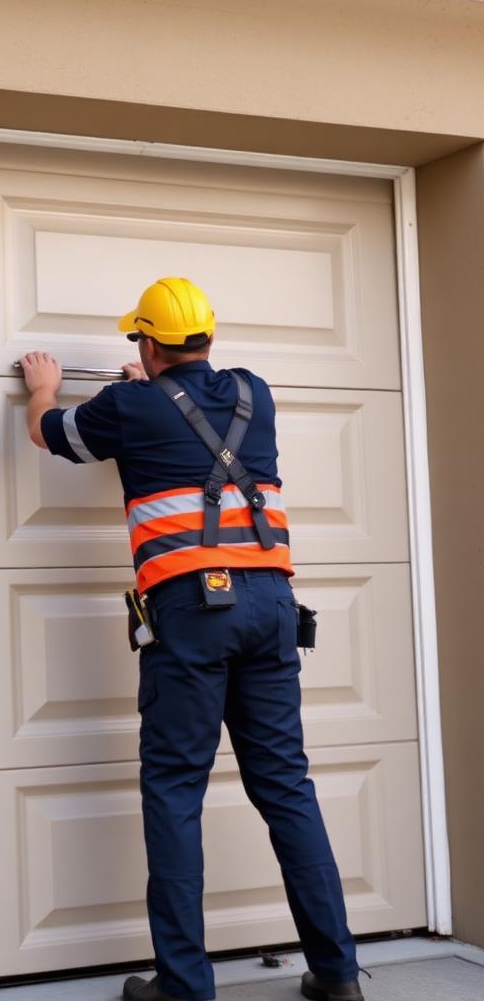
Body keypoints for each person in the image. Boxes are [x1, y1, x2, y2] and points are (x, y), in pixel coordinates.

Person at [19, 278, 363, 1001]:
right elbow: (187, 412)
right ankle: (337, 976)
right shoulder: (255, 395)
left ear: (146, 342)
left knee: (175, 790)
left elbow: (49, 434)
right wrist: (152, 388)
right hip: (272, 603)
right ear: (209, 338)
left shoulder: (128, 406)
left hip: (195, 609)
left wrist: (43, 389)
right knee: (286, 788)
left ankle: (184, 986)